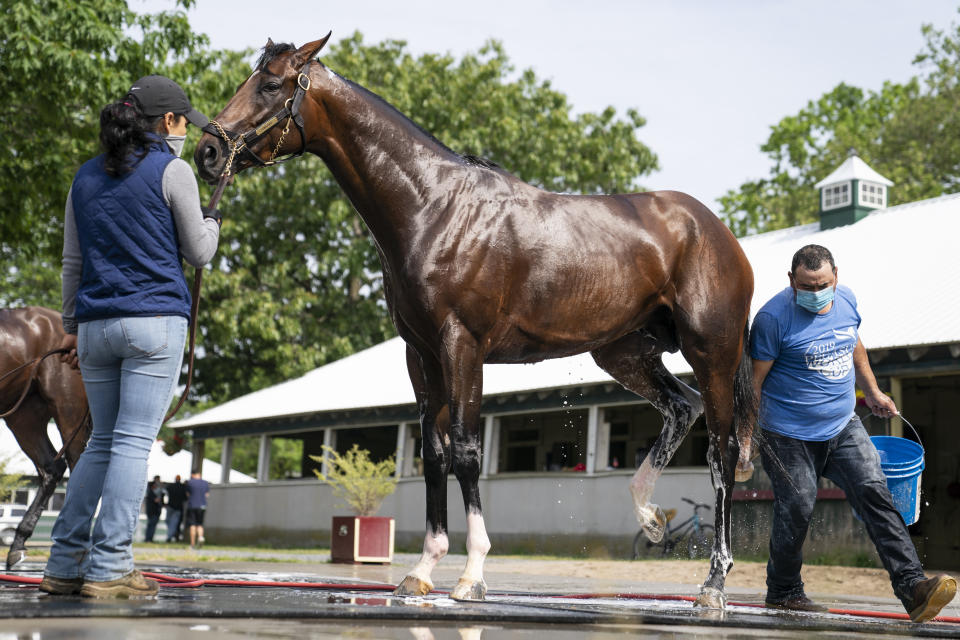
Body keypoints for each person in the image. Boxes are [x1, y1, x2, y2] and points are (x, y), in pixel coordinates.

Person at [40, 75, 220, 599]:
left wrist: (71, 328)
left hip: (95, 328)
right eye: (184, 121)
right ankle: (111, 565)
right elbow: (200, 252)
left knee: (101, 442)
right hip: (153, 325)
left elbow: (72, 263)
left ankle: (64, 563)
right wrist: (213, 220)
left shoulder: (83, 178)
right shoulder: (175, 170)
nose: (187, 130)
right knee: (132, 444)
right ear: (167, 122)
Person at [751, 244, 956, 623]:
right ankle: (783, 591)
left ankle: (913, 589)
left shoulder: (846, 301)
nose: (815, 294)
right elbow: (754, 382)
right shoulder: (771, 319)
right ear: (791, 280)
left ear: (837, 277)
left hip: (843, 425)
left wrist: (873, 391)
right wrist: (746, 435)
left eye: (823, 284)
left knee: (875, 493)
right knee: (797, 505)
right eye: (806, 286)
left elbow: (853, 344)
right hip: (788, 434)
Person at [184, 471, 211, 549]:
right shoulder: (206, 483)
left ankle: (192, 544)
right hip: (202, 506)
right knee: (200, 524)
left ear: (193, 475)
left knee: (192, 525)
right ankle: (201, 537)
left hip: (192, 505)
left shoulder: (190, 482)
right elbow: (207, 495)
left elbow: (187, 494)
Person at [165, 474, 187, 542]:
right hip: (178, 507)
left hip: (170, 506)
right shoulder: (183, 487)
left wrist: (164, 503)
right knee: (174, 523)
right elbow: (185, 498)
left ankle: (170, 536)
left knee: (169, 522)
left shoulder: (170, 486)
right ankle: (171, 534)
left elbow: (164, 493)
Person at [143, 476, 165, 543]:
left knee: (152, 525)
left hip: (154, 511)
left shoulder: (152, 492)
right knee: (151, 525)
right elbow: (156, 500)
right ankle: (148, 539)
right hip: (153, 512)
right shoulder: (151, 493)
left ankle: (149, 539)